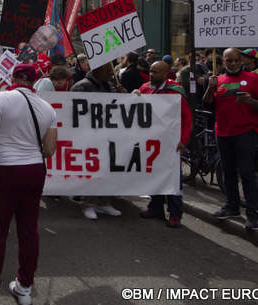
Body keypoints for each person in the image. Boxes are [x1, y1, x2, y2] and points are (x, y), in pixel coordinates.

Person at [0, 64, 57, 305]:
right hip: (35, 171)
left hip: (7, 170)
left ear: (13, 77)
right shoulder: (47, 108)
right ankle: (25, 287)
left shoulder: (3, 98)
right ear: (34, 81)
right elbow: (49, 149)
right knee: (29, 230)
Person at [203, 48, 258, 230]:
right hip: (223, 132)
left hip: (245, 131)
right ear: (223, 61)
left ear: (242, 61)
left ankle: (252, 215)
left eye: (236, 60)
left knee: (247, 172)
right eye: (228, 60)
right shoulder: (218, 80)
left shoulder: (254, 79)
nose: (232, 64)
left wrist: (251, 102)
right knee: (228, 172)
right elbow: (207, 103)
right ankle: (232, 207)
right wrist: (210, 86)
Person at [135, 61, 192, 227]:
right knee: (155, 175)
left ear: (166, 74)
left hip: (171, 142)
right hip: (152, 141)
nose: (152, 74)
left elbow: (186, 118)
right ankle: (156, 207)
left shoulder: (176, 92)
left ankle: (175, 213)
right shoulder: (145, 88)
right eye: (151, 71)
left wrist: (183, 139)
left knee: (173, 179)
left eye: (156, 72)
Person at [71, 63, 123, 219]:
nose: (111, 74)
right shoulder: (81, 87)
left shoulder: (110, 85)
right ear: (98, 70)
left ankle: (104, 202)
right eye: (108, 70)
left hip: (109, 135)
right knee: (93, 171)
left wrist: (122, 94)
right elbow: (73, 112)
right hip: (90, 137)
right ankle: (88, 203)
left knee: (108, 170)